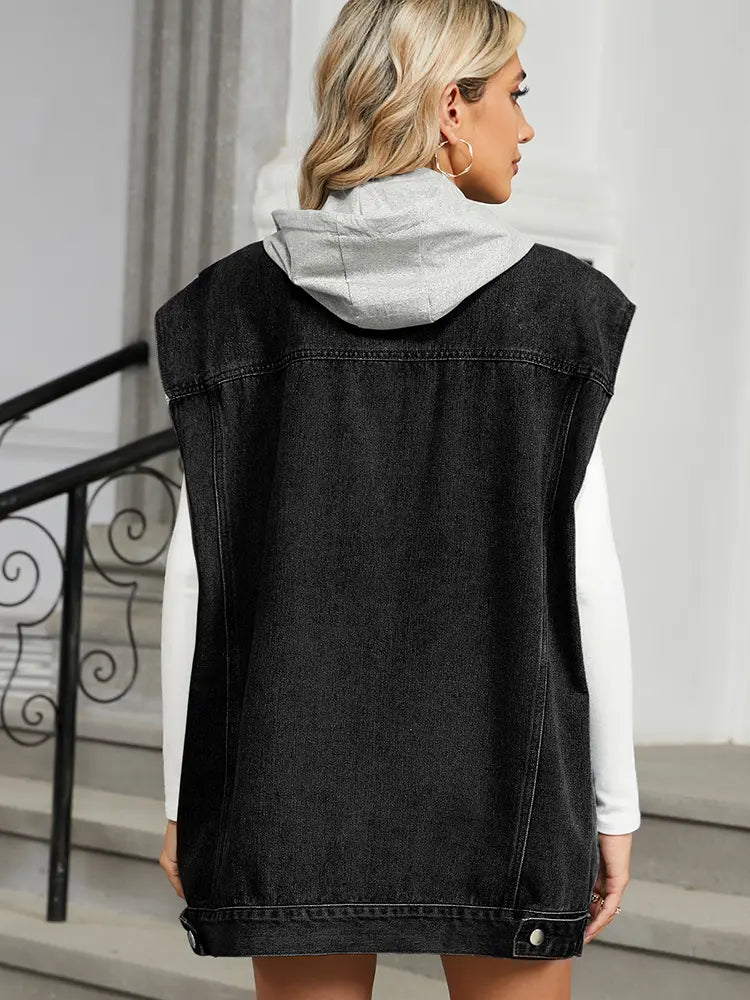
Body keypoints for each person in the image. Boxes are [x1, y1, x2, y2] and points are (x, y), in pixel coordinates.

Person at [155, 2, 640, 998]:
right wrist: (613, 807)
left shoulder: (231, 311)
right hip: (505, 780)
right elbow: (587, 581)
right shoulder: (558, 311)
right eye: (516, 95)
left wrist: (183, 798)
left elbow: (199, 573)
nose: (527, 126)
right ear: (452, 108)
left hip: (289, 784)